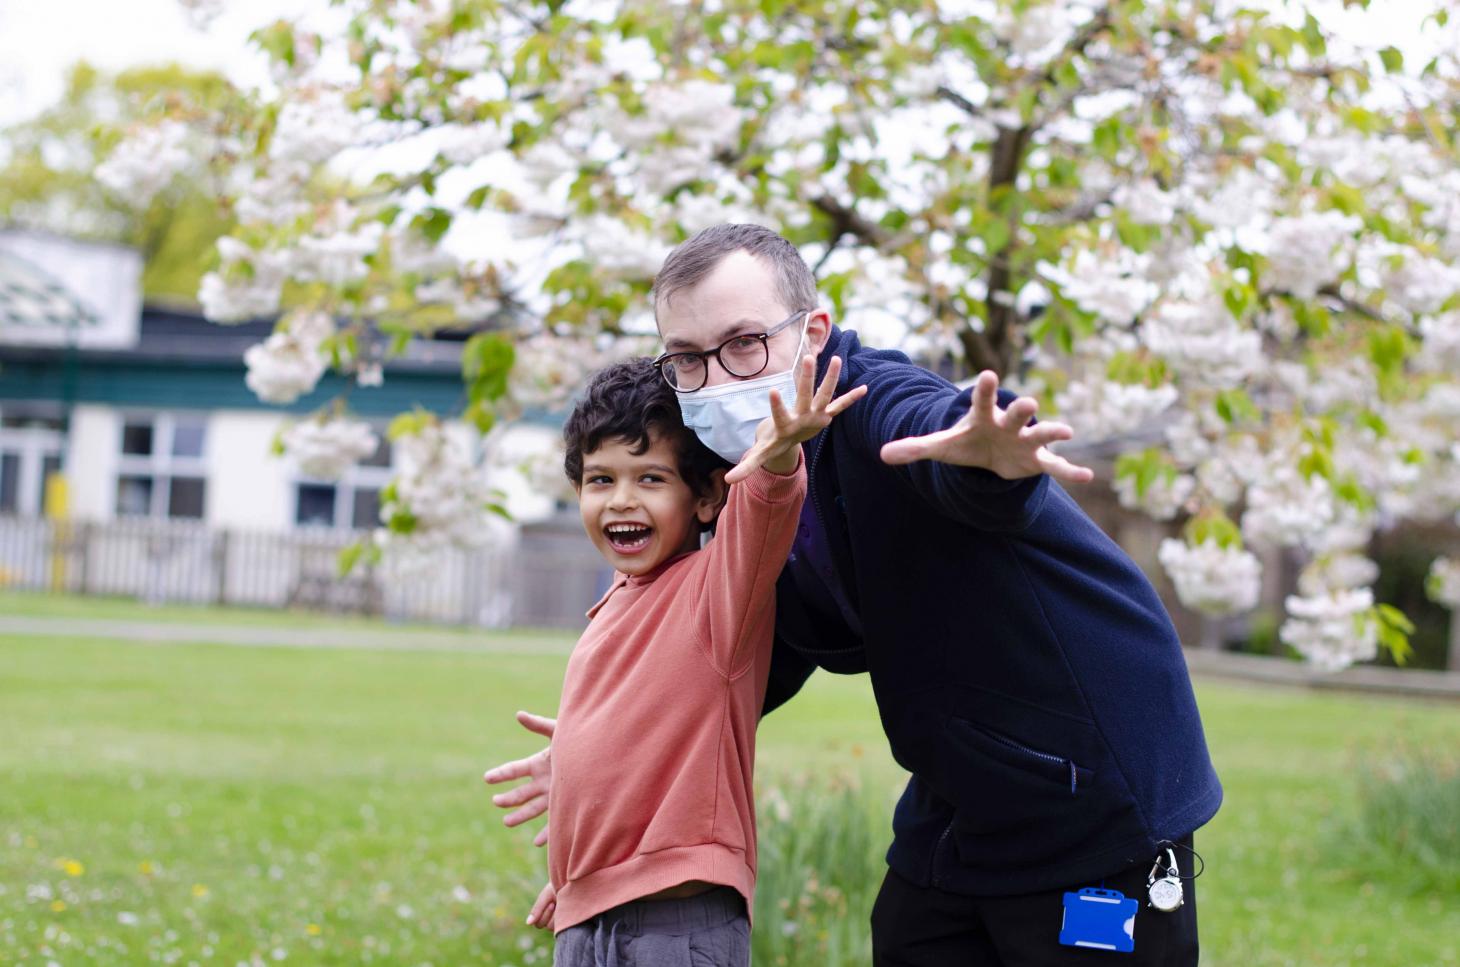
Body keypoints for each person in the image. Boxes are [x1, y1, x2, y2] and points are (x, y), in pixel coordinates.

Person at [487, 224, 1221, 966]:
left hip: (1096, 778)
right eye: (687, 357)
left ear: (814, 334)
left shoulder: (872, 401)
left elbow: (932, 433)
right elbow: (739, 653)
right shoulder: (735, 474)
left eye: (744, 342)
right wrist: (605, 750)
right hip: (965, 779)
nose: (719, 376)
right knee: (909, 937)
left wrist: (986, 460)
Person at [526, 352, 865, 965]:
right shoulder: (612, 606)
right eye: (601, 480)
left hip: (675, 922)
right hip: (587, 917)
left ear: (708, 497)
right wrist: (583, 866)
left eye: (650, 479)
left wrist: (780, 452)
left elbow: (764, 509)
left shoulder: (717, 594)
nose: (621, 500)